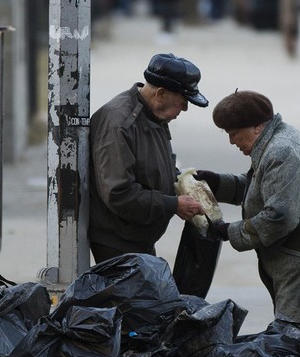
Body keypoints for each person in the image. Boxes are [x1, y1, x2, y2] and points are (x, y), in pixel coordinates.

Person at [195, 90, 300, 350]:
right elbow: (263, 190)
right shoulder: (274, 142)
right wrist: (217, 183)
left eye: (234, 132)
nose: (231, 141)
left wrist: (230, 231)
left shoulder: (283, 151)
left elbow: (280, 216)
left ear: (257, 127)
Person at [88, 53, 209, 264]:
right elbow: (119, 194)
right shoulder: (119, 122)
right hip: (117, 240)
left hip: (137, 237)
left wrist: (185, 183)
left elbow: (157, 165)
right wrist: (173, 205)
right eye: (182, 101)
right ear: (160, 93)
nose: (185, 108)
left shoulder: (155, 114)